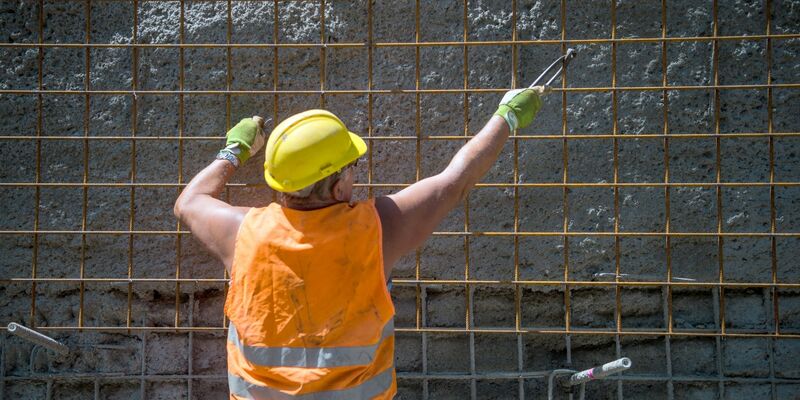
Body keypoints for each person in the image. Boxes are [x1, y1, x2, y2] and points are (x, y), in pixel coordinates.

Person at [174, 85, 548, 399]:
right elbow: (455, 181)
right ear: (338, 186)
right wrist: (507, 116)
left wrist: (235, 149)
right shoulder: (377, 229)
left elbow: (188, 202)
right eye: (352, 168)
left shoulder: (241, 232)